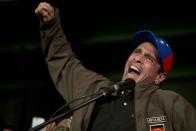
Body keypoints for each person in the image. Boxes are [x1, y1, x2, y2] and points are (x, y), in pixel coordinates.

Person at [34, 2, 196, 131]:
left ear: (159, 77)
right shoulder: (96, 90)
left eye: (148, 58)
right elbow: (65, 63)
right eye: (136, 51)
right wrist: (51, 27)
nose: (138, 58)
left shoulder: (169, 102)